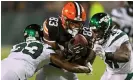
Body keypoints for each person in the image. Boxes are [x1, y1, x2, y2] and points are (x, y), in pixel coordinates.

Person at [1, 24, 91, 80]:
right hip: (17, 73)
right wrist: (87, 69)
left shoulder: (16, 47)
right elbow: (66, 66)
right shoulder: (45, 49)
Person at [36, 1, 96, 80]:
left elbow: (88, 61)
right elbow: (49, 56)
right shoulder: (53, 27)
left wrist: (84, 56)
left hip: (68, 69)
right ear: (64, 19)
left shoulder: (86, 35)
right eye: (73, 23)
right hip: (50, 66)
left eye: (79, 23)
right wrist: (67, 50)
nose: (76, 27)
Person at [89, 12, 133, 80]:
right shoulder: (96, 38)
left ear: (106, 29)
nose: (95, 34)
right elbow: (89, 62)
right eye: (93, 31)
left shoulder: (119, 36)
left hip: (124, 72)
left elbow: (126, 56)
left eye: (98, 31)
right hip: (110, 71)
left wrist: (106, 55)